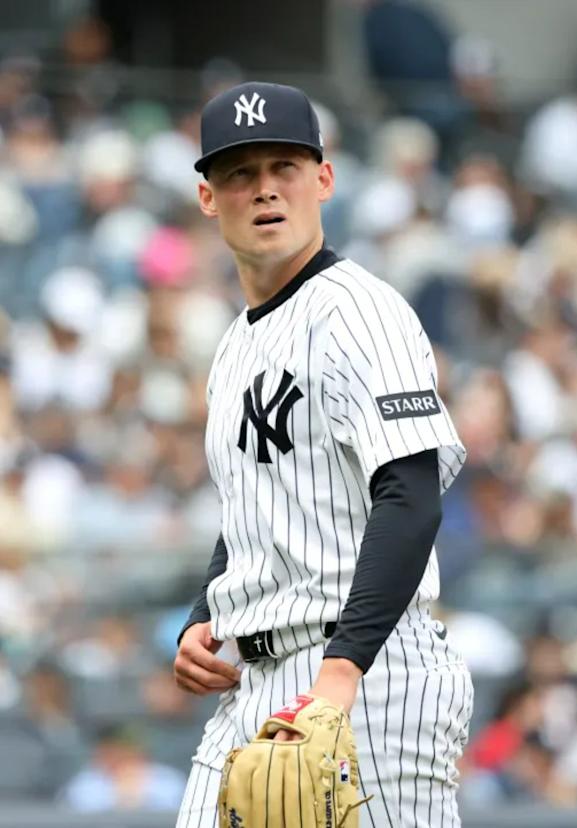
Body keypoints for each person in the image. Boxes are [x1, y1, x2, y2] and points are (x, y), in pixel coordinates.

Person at [171, 81, 472, 827]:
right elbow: (255, 504)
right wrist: (202, 616)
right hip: (255, 679)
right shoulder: (235, 344)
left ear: (324, 180)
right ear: (208, 197)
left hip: (367, 674)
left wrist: (341, 674)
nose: (265, 189)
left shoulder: (359, 311)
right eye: (240, 173)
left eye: (285, 167)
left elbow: (410, 496)